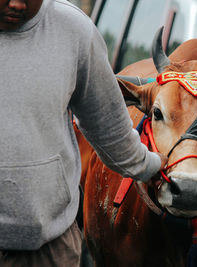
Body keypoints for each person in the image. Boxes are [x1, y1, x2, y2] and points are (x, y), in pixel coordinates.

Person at [0, 0, 168, 266]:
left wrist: (156, 166)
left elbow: (109, 127)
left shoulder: (72, 30)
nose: (18, 4)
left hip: (48, 249)